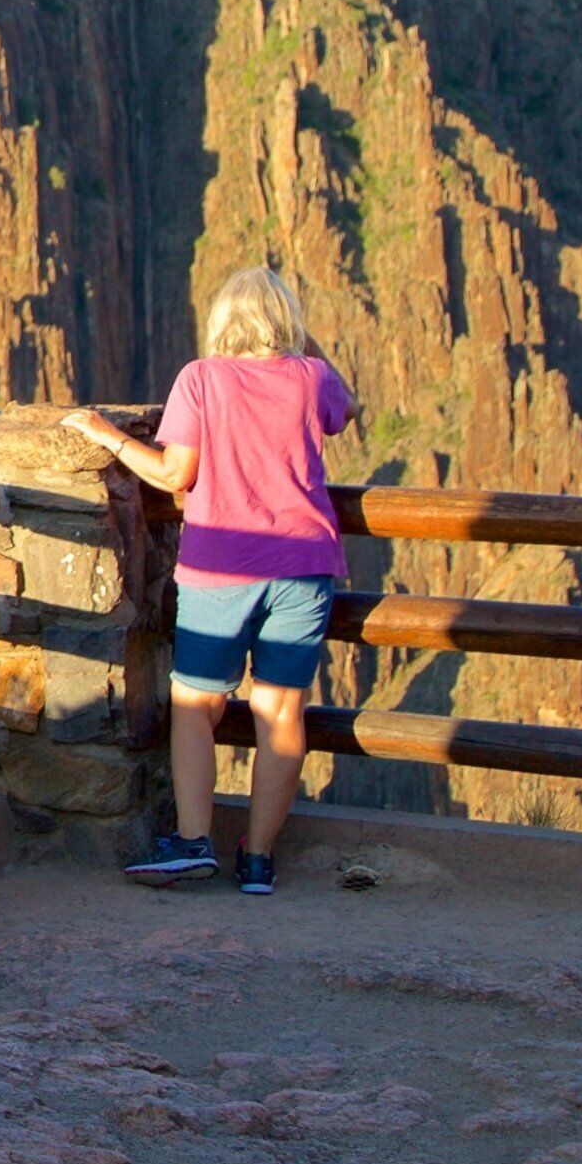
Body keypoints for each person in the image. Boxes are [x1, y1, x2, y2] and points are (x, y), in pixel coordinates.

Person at [60, 265, 354, 897]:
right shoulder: (311, 377)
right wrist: (306, 345)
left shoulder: (202, 379)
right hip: (305, 569)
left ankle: (195, 843)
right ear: (285, 323)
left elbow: (174, 476)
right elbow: (346, 409)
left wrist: (105, 435)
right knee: (282, 713)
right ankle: (259, 860)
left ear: (222, 322)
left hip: (221, 568)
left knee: (196, 706)